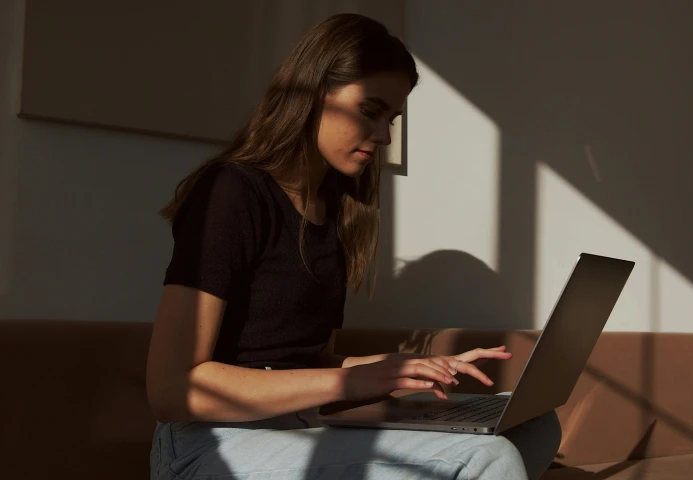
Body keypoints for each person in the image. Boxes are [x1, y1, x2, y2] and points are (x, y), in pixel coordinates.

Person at [146, 13, 561, 480]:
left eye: (392, 118)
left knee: (531, 424)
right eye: (371, 111)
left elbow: (306, 364)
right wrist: (355, 378)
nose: (384, 135)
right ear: (311, 93)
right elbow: (170, 389)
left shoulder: (335, 209)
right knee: (489, 458)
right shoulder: (232, 192)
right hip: (211, 443)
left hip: (302, 426)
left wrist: (402, 368)